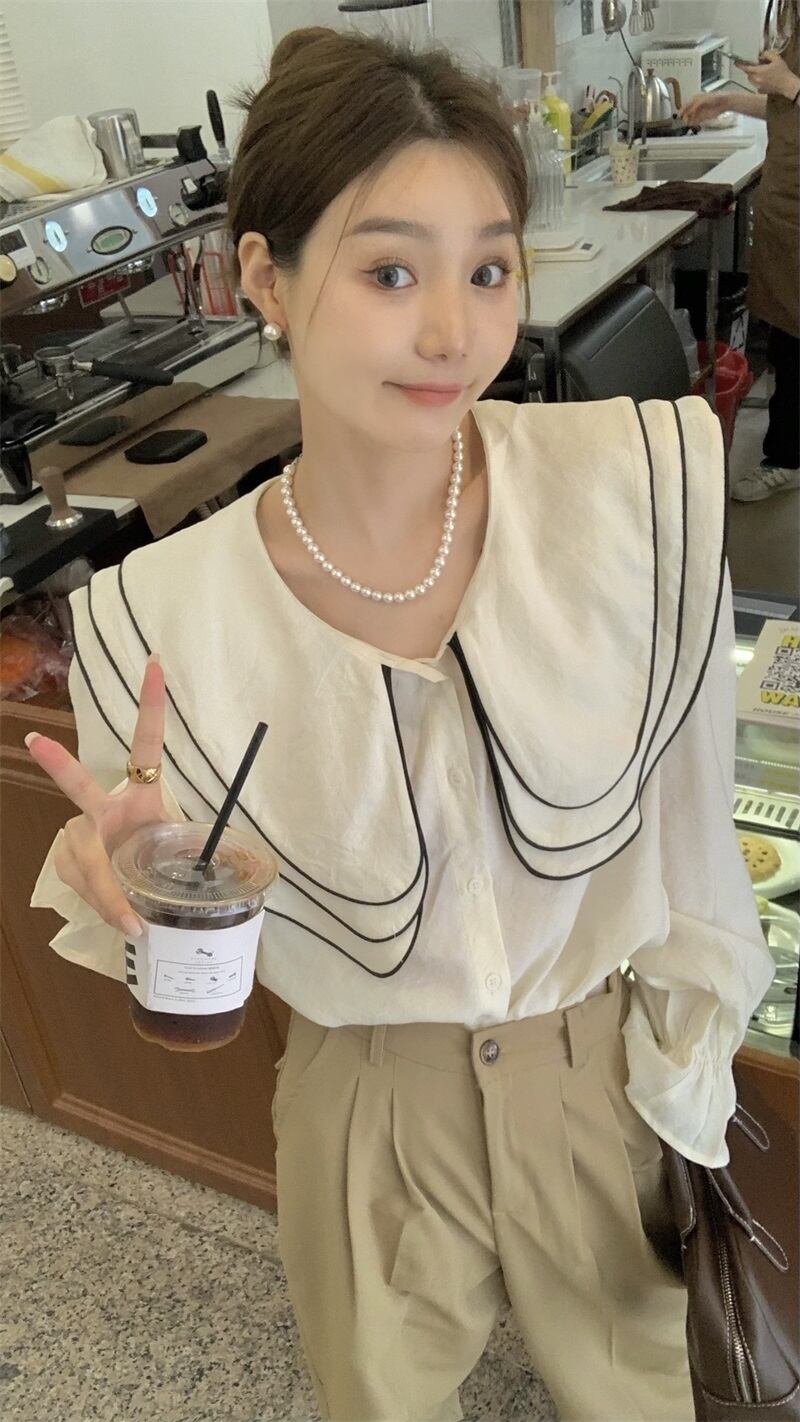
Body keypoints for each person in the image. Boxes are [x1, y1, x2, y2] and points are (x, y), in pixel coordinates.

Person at [27, 27, 774, 1422]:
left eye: (487, 269)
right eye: (389, 272)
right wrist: (144, 886)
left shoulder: (632, 489)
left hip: (596, 1073)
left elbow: (693, 829)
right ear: (266, 277)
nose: (453, 332)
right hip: (363, 1102)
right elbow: (186, 966)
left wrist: (685, 1063)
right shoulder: (159, 617)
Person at [681, 18, 800, 503]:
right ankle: (788, 456)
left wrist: (789, 84)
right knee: (789, 341)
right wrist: (729, 101)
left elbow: (791, 95)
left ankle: (786, 458)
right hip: (787, 206)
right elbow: (786, 112)